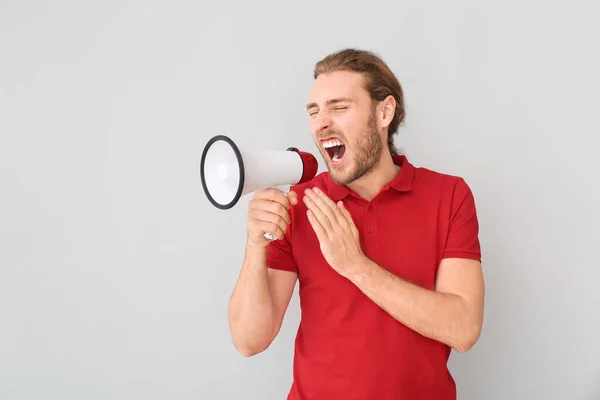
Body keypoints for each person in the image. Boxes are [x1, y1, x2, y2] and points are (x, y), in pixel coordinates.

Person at [227, 48, 485, 400]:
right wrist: (255, 245)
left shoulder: (449, 195)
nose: (321, 122)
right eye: (314, 111)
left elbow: (464, 328)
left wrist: (355, 265)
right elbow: (248, 340)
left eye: (339, 107)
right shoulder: (300, 204)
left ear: (384, 112)